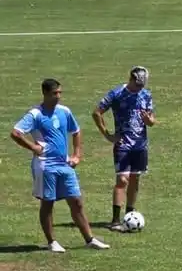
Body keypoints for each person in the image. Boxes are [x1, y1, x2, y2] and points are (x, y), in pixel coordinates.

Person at [10, 78, 109, 252]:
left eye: (60, 93)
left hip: (64, 164)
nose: (58, 97)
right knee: (48, 202)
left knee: (76, 201)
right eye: (55, 93)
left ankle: (89, 239)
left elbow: (76, 131)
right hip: (45, 165)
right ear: (45, 94)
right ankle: (52, 242)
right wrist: (33, 147)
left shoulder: (64, 111)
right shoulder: (35, 114)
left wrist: (77, 155)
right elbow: (16, 133)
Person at [92, 66, 156, 232]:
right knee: (122, 180)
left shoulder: (146, 95)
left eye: (142, 85)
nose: (140, 88)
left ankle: (129, 213)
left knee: (135, 179)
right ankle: (114, 220)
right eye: (138, 84)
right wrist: (108, 135)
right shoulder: (117, 94)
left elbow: (151, 121)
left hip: (140, 145)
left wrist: (149, 120)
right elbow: (97, 112)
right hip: (123, 145)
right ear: (131, 78)